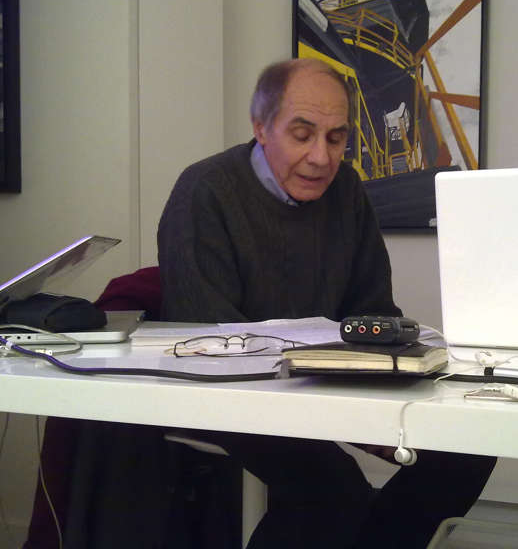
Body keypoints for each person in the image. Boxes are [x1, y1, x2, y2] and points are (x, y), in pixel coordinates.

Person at [157, 58, 496, 548]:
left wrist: (397, 382)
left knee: (468, 448)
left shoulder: (347, 189)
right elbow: (208, 336)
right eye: (302, 135)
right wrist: (334, 405)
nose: (321, 157)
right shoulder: (205, 190)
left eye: (336, 138)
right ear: (260, 127)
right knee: (332, 492)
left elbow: (373, 308)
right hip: (231, 391)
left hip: (324, 380)